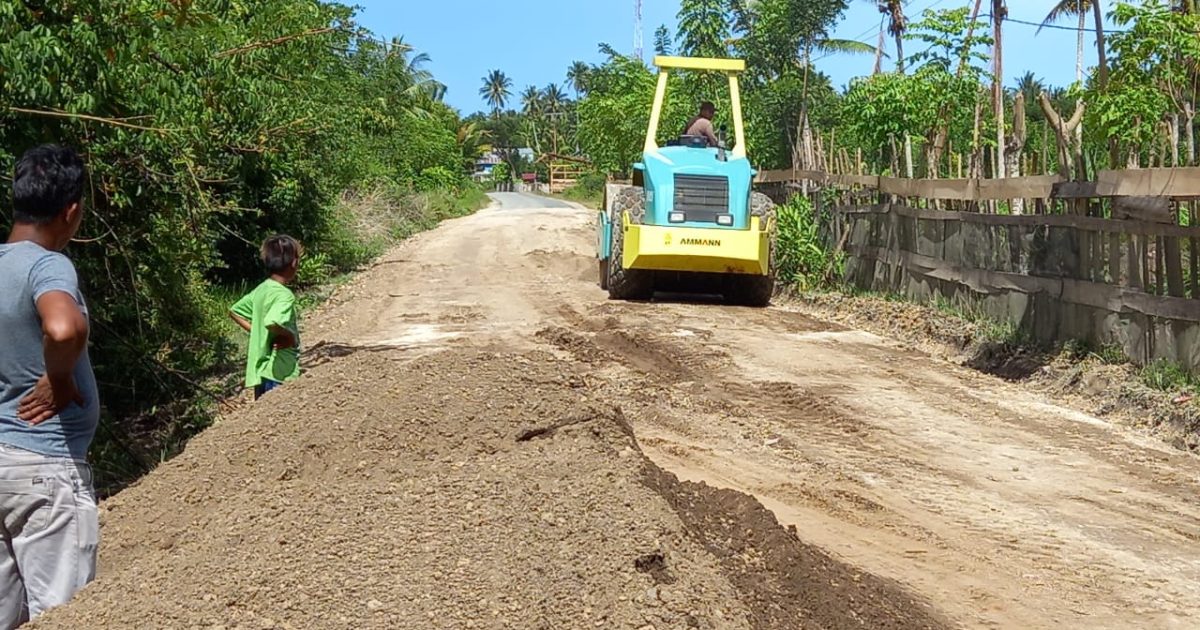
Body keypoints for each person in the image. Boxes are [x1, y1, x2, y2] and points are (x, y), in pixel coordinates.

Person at [0, 144, 99, 628]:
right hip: (43, 469)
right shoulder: (46, 264)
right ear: (71, 211)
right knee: (65, 615)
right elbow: (64, 328)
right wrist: (59, 377)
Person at [229, 235, 302, 400]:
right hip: (280, 372)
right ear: (294, 263)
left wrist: (258, 333)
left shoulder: (262, 289)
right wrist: (288, 337)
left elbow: (235, 311)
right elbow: (272, 322)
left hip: (261, 372)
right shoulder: (285, 295)